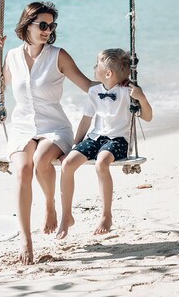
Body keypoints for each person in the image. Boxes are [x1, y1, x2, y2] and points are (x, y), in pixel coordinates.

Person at [0, 1, 92, 264]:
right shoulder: (12, 57)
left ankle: (50, 206)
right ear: (27, 25)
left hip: (54, 128)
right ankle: (26, 239)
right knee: (23, 169)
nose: (48, 30)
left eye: (52, 26)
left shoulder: (58, 55)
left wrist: (120, 84)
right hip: (22, 126)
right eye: (43, 25)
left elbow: (88, 86)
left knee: (41, 161)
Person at [56, 48, 153, 240]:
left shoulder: (128, 92)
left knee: (102, 163)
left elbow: (148, 117)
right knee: (67, 164)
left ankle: (106, 215)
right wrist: (74, 146)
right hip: (94, 137)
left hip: (117, 140)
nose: (93, 68)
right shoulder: (94, 91)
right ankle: (67, 215)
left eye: (96, 65)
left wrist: (141, 97)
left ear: (108, 73)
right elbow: (85, 121)